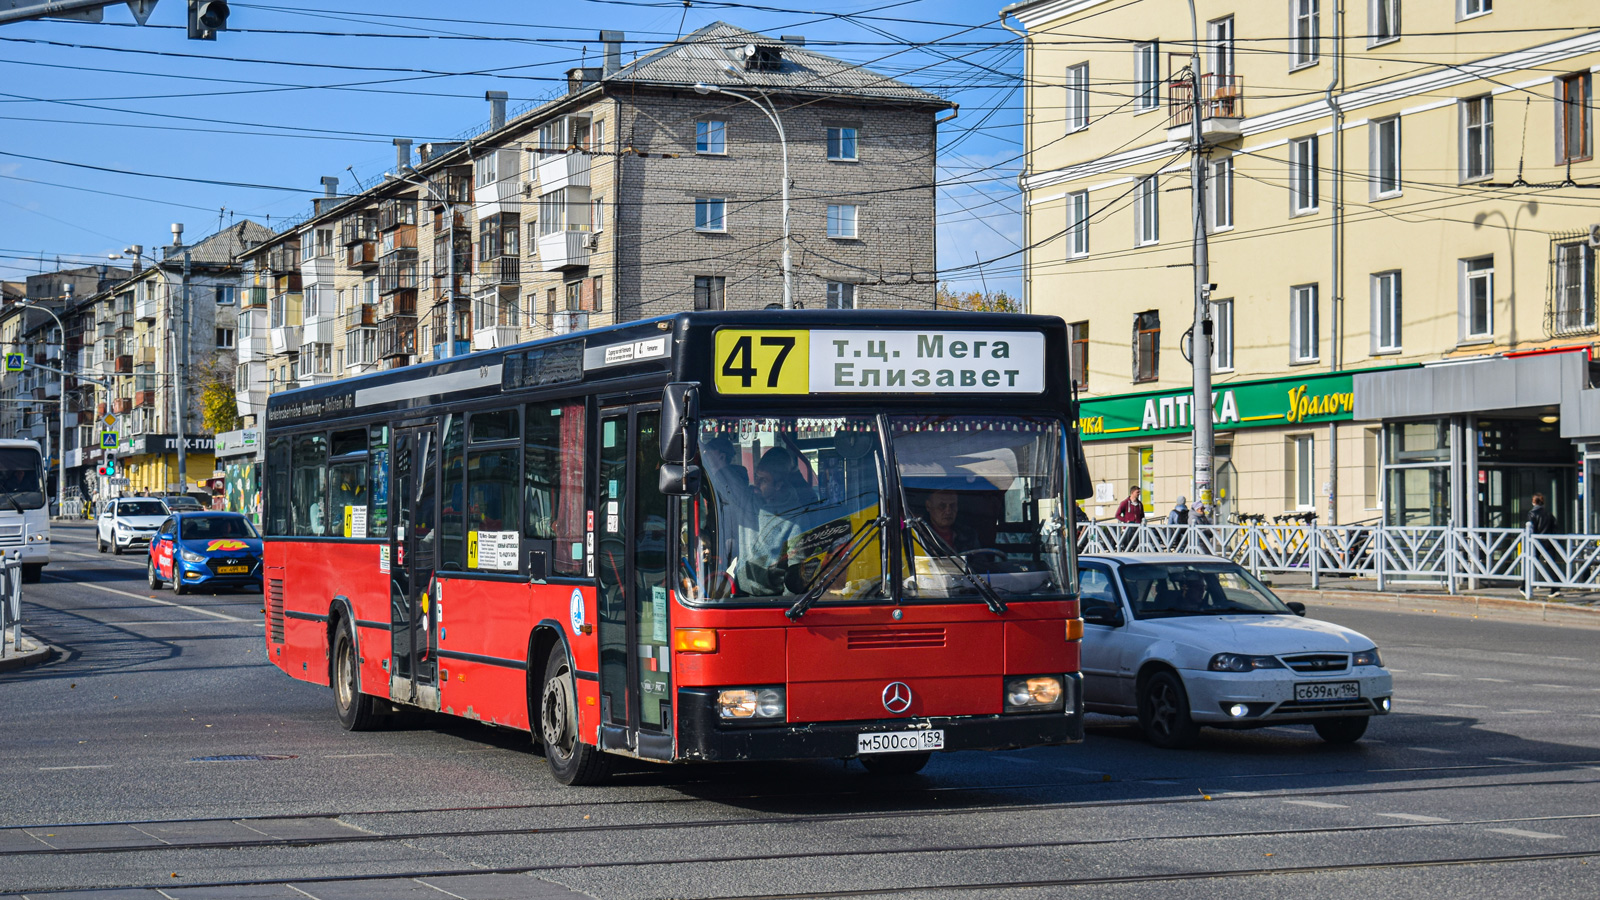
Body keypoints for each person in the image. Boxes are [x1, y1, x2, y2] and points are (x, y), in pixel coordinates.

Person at [738, 447, 817, 595]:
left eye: (764, 480)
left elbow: (796, 570)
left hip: (772, 599)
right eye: (756, 477)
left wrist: (785, 607)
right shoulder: (749, 499)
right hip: (741, 594)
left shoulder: (796, 518)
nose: (756, 483)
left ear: (779, 485)